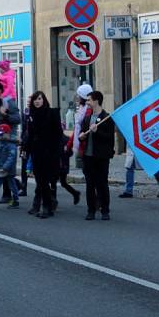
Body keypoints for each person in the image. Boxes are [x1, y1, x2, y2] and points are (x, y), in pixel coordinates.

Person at [79, 91, 115, 220]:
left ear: (96, 101)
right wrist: (82, 136)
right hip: (88, 156)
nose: (87, 102)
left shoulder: (107, 117)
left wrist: (97, 131)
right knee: (90, 184)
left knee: (102, 184)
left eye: (89, 100)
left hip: (101, 157)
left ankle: (105, 210)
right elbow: (83, 132)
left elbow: (110, 138)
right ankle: (91, 210)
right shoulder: (88, 118)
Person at [25, 91, 62, 219]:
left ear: (43, 99)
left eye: (39, 99)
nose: (37, 101)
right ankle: (45, 204)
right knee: (40, 180)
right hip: (37, 152)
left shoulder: (52, 113)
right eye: (35, 99)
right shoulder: (32, 115)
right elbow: (30, 135)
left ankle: (46, 206)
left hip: (49, 152)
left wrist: (57, 153)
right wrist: (26, 149)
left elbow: (58, 134)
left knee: (45, 181)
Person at [68, 84, 94, 170]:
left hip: (86, 146)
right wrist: (68, 145)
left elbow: (83, 128)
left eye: (79, 95)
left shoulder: (89, 110)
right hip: (81, 145)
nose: (77, 97)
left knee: (88, 171)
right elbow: (76, 129)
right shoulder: (81, 109)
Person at [56, 124, 81, 204]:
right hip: (63, 164)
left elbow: (69, 153)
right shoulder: (66, 138)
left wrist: (64, 152)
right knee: (62, 182)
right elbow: (70, 154)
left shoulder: (62, 139)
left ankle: (53, 200)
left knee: (57, 182)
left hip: (61, 164)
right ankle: (75, 193)